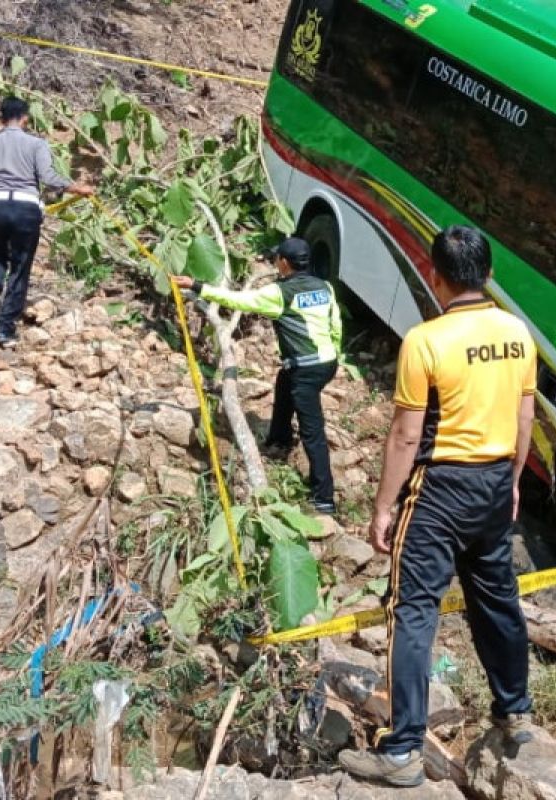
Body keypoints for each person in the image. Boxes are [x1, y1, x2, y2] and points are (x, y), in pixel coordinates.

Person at [338, 225, 536, 787]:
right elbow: (525, 418)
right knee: (497, 596)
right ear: (489, 275)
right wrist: (514, 478)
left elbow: (405, 436)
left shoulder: (425, 341)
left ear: (435, 276)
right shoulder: (516, 334)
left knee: (413, 610)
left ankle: (401, 750)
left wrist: (383, 506)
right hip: (497, 482)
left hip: (440, 490)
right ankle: (514, 709)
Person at [173, 237, 343, 514]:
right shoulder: (324, 287)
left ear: (284, 263)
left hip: (307, 368)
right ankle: (279, 438)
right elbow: (335, 324)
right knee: (284, 379)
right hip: (327, 363)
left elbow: (238, 300)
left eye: (278, 258)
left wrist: (196, 286)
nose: (276, 262)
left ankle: (324, 497)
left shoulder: (280, 293)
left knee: (313, 432)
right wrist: (332, 354)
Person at [0, 96, 94, 347]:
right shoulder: (36, 144)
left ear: (0, 118)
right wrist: (76, 188)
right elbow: (47, 176)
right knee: (20, 267)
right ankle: (4, 330)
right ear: (25, 118)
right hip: (26, 208)